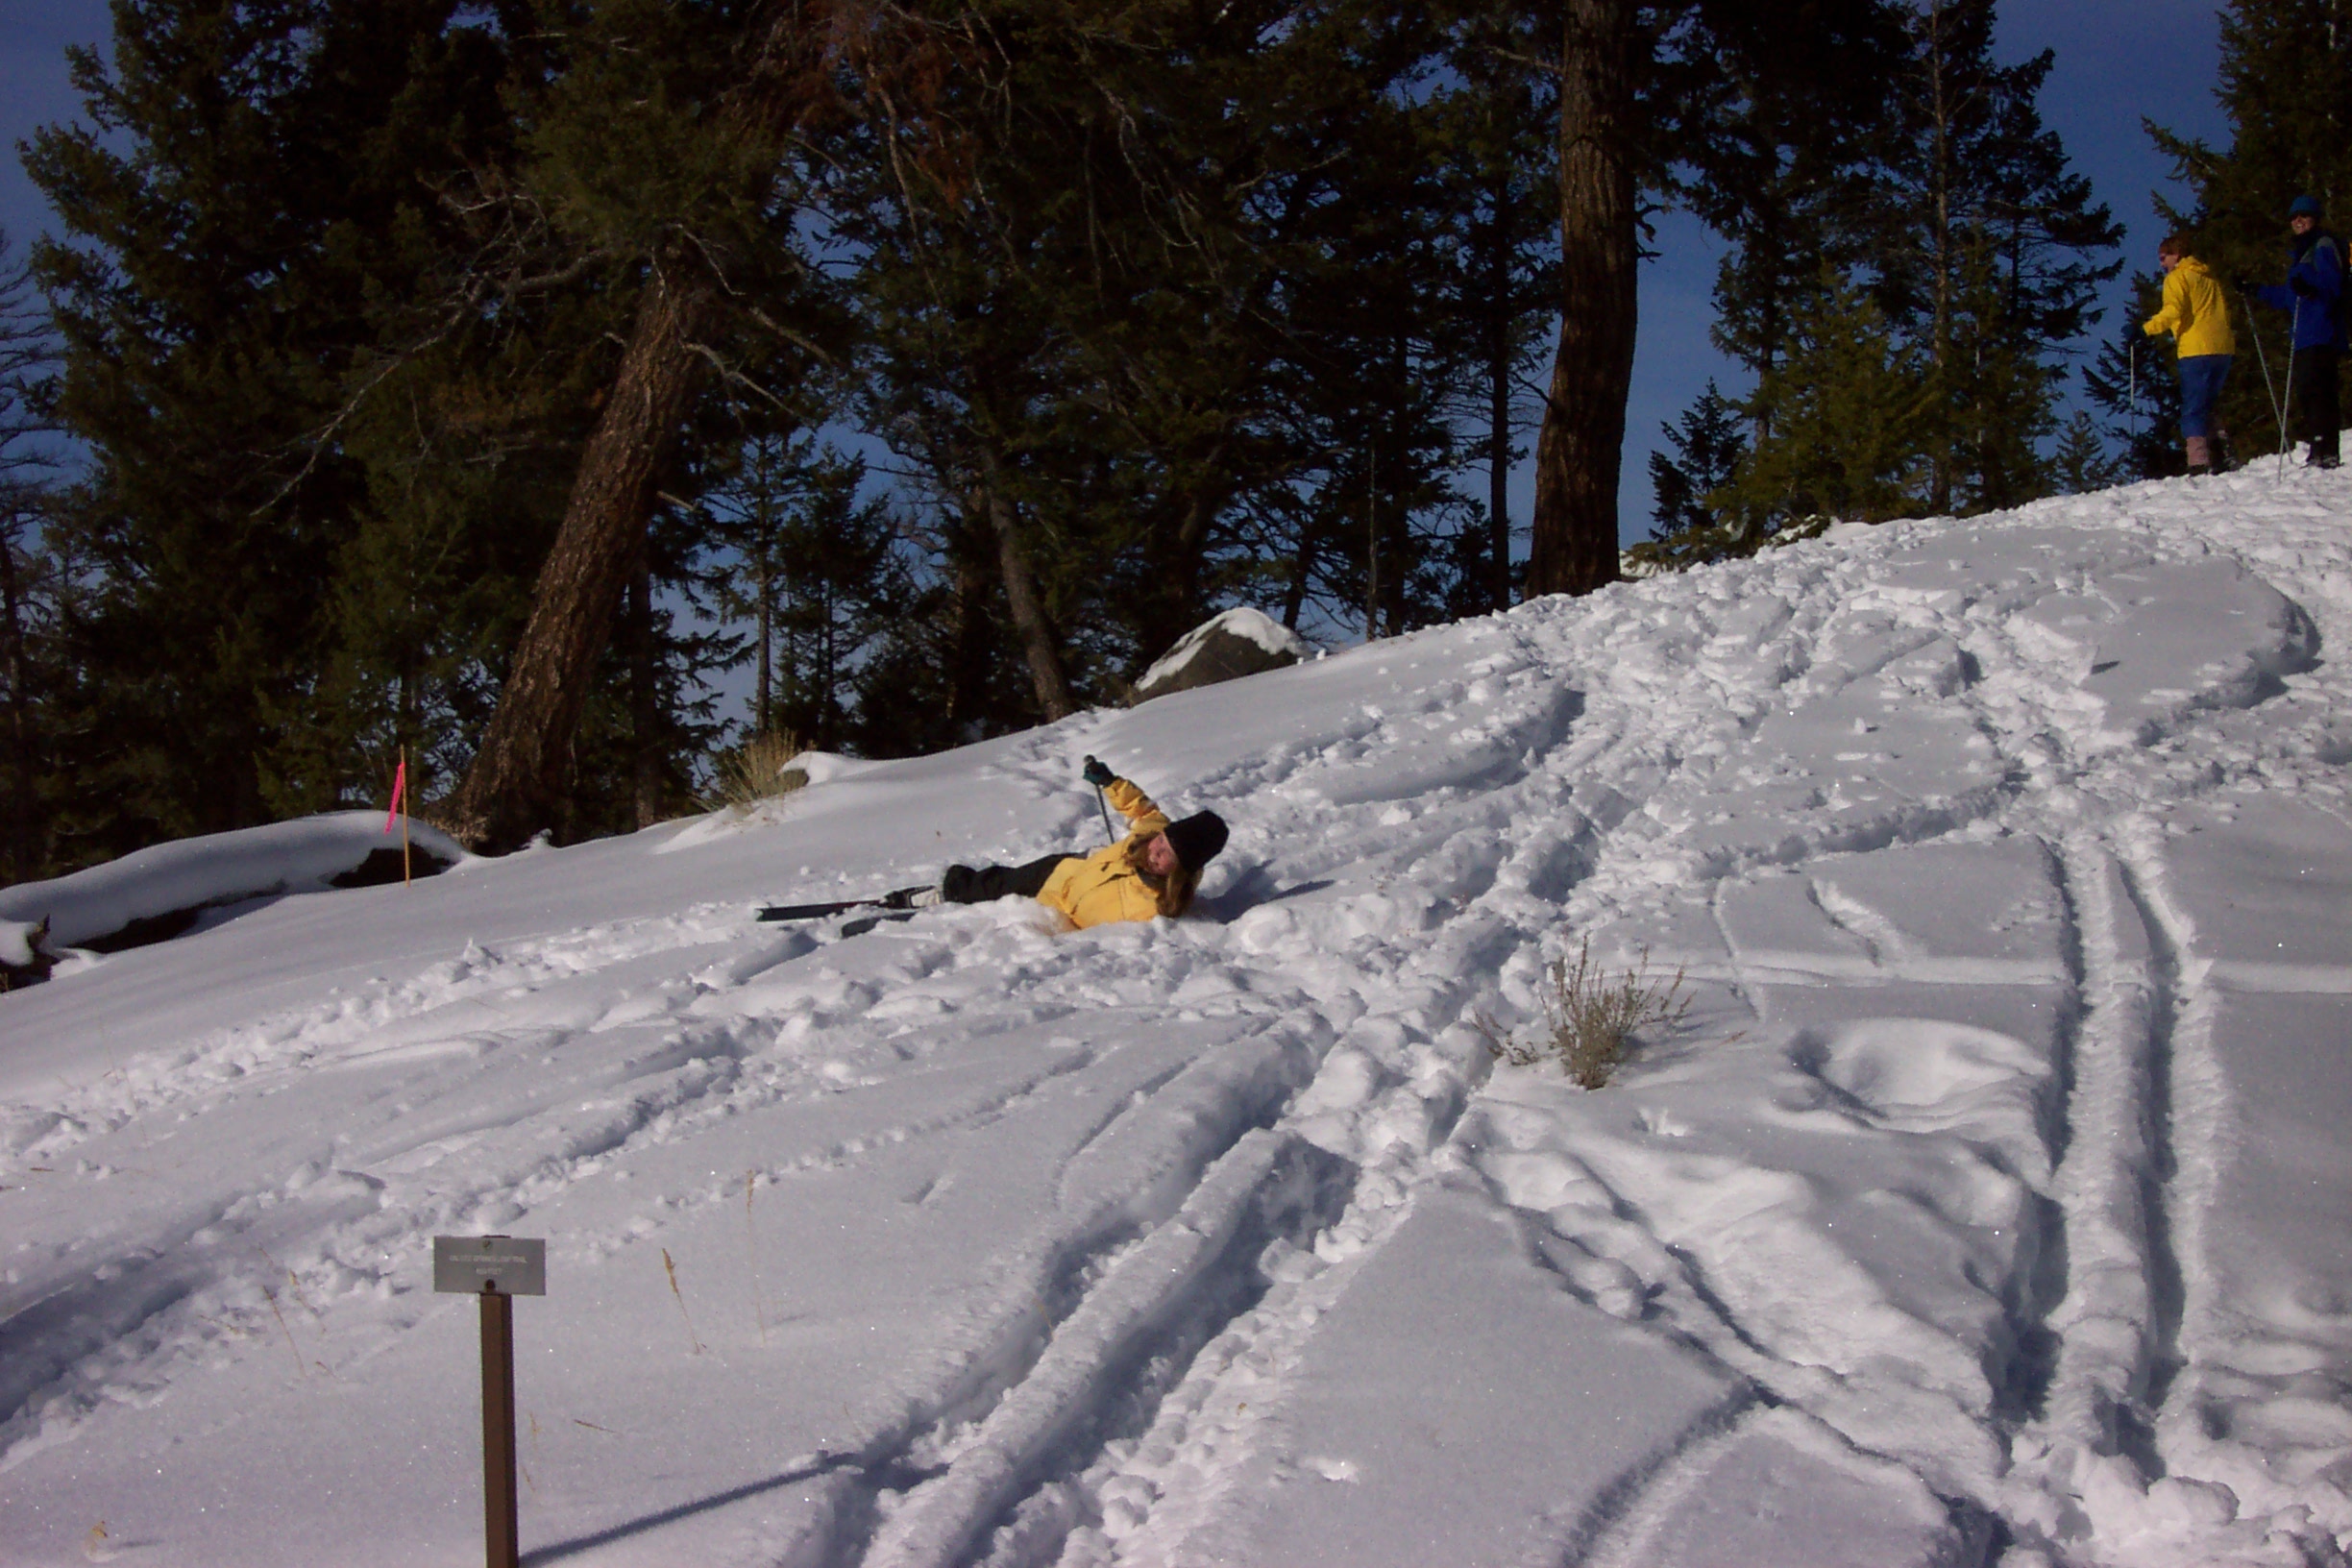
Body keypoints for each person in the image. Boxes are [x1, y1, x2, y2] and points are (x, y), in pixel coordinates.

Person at [897, 757, 1228, 929]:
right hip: (1062, 870)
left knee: (999, 906)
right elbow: (1140, 808)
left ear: (1180, 873)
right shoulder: (1153, 833)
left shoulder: (1156, 910)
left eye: (1167, 856)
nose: (1156, 853)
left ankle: (957, 898)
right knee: (997, 882)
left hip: (1058, 911)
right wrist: (1110, 782)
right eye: (1161, 843)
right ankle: (943, 895)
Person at [2247, 194, 2344, 470]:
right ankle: (2318, 448)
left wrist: (2313, 290)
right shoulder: (2301, 253)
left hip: (2322, 330)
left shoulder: (2322, 246)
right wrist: (2257, 290)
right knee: (2307, 391)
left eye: (2304, 216)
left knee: (2319, 390)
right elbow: (2290, 297)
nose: (2298, 221)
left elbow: (2333, 284)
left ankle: (2326, 449)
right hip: (2302, 334)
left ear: (2314, 218)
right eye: (2294, 217)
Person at [2144, 233, 2236, 475]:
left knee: (2193, 406)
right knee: (2208, 403)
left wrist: (2146, 329)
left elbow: (2174, 309)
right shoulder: (2208, 277)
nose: (2162, 263)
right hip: (2222, 348)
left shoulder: (2178, 277)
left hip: (2196, 348)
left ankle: (2198, 461)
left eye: (2164, 257)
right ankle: (2223, 453)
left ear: (2177, 255)